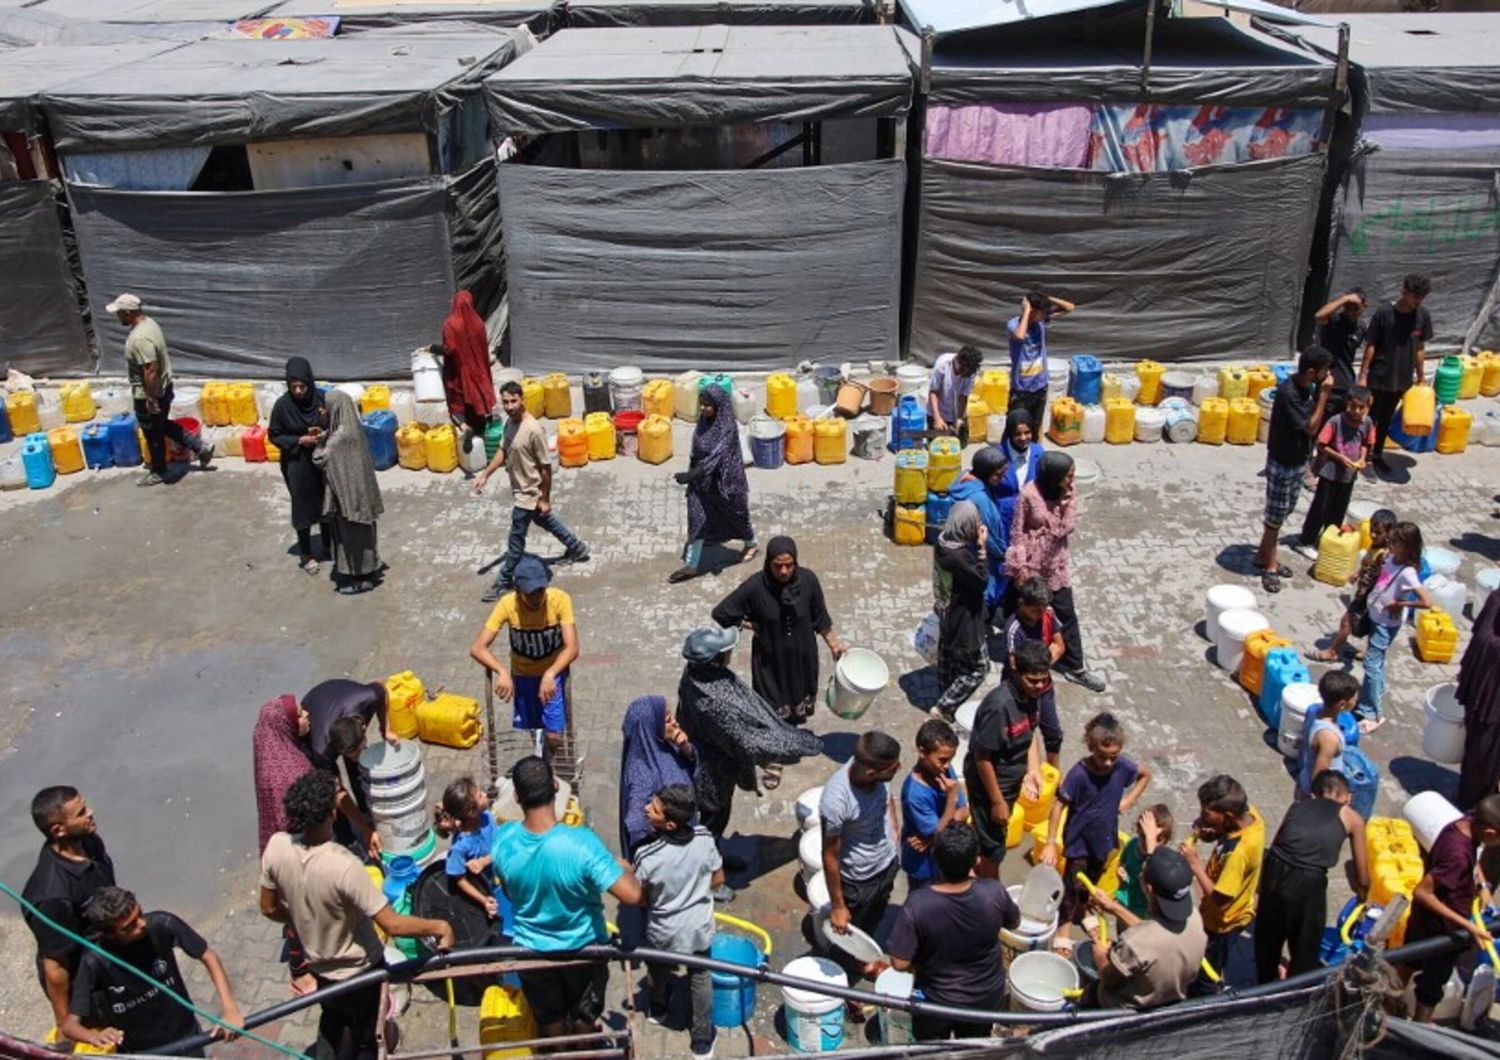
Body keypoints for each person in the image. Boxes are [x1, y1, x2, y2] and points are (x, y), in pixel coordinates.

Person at [260, 770, 454, 1060]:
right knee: (368, 1037)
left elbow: (269, 907)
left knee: (334, 1017)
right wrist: (440, 926)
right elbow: (393, 924)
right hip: (361, 972)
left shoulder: (276, 847)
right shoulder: (344, 866)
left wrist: (300, 919)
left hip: (320, 967)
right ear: (332, 815)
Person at [491, 756, 643, 1040]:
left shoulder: (503, 840)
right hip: (583, 950)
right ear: (554, 786)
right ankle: (582, 1051)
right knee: (585, 1015)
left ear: (516, 796)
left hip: (532, 952)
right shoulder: (582, 844)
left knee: (549, 1018)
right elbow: (632, 894)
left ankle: (557, 1053)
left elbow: (511, 894)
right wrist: (621, 867)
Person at [675, 626, 822, 840]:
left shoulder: (695, 674)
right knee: (714, 819)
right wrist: (791, 748)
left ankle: (715, 853)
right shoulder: (715, 702)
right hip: (712, 770)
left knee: (713, 818)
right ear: (715, 660)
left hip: (704, 752)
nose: (730, 654)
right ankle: (711, 860)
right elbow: (744, 741)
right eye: (726, 651)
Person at [62, 886, 244, 1055]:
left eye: (139, 913)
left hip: (187, 1036)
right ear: (109, 935)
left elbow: (208, 955)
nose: (142, 924)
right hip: (143, 1052)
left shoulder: (162, 923)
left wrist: (229, 1009)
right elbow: (70, 1026)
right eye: (130, 926)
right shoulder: (93, 961)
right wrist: (94, 1036)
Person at [886, 823, 1020, 1041]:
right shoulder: (993, 893)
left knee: (931, 1051)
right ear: (976, 859)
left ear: (935, 857)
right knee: (974, 1049)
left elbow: (899, 963)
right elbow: (1013, 923)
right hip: (984, 999)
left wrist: (926, 960)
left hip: (937, 1002)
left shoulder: (918, 904)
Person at [1042, 713, 1152, 955]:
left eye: (1113, 757)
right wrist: (1051, 842)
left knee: (1091, 879)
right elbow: (1059, 805)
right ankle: (1064, 929)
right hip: (1079, 840)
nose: (1108, 764)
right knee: (1072, 883)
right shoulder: (1079, 774)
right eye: (1102, 757)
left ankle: (1081, 911)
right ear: (1091, 747)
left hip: (1103, 839)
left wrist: (1129, 800)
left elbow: (1146, 774)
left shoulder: (1123, 766)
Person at [711, 535, 846, 728]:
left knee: (796, 707)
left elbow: (820, 618)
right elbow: (722, 612)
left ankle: (792, 736)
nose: (784, 571)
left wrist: (835, 645)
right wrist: (748, 624)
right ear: (768, 562)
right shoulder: (755, 587)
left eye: (789, 565)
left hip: (802, 659)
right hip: (770, 661)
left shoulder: (808, 581)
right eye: (777, 565)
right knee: (770, 710)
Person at [474, 380, 589, 603]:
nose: (509, 406)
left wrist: (544, 498)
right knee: (546, 521)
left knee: (515, 541)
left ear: (522, 400)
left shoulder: (533, 430)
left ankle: (503, 581)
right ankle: (577, 548)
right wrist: (485, 475)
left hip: (530, 494)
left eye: (513, 401)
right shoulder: (510, 423)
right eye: (505, 402)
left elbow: (546, 468)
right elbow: (503, 450)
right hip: (521, 491)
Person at [631, 784, 722, 1060]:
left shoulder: (647, 857)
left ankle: (658, 1008)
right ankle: (702, 1040)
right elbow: (718, 880)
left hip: (664, 931)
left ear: (669, 824)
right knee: (701, 976)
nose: (647, 808)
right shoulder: (705, 838)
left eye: (654, 808)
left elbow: (641, 898)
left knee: (658, 970)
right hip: (698, 927)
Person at [1254, 770, 1370, 984]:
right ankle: (1297, 991)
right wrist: (1363, 898)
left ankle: (1264, 984)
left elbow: (1282, 841)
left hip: (1274, 867)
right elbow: (1363, 876)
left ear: (1315, 794)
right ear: (1349, 797)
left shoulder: (1297, 806)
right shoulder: (1352, 818)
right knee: (1305, 944)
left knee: (1268, 935)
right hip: (1308, 881)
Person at [22, 787, 116, 1036]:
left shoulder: (89, 841)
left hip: (111, 957)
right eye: (81, 812)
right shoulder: (53, 897)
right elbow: (56, 968)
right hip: (88, 985)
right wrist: (68, 1027)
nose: (91, 813)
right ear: (59, 830)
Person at [1007, 450, 1105, 691]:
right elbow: (1017, 530)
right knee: (1024, 613)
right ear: (1053, 475)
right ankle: (1022, 664)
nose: (1071, 481)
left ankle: (1076, 667)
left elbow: (1066, 528)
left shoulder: (1068, 493)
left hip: (1055, 563)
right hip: (1031, 563)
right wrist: (1019, 568)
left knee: (1066, 612)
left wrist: (1062, 506)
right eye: (1068, 476)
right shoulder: (1029, 494)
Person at [1399, 794, 1500, 1022]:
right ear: (1491, 832)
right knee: (1431, 988)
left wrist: (1482, 885)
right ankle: (1419, 1030)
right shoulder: (1458, 856)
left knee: (1408, 961)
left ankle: (1388, 1004)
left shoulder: (1462, 824)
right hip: (1442, 930)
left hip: (1422, 919)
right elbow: (1423, 892)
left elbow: (1473, 857)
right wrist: (1469, 927)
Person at [470, 555, 579, 758]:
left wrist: (551, 673)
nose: (537, 597)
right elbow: (478, 647)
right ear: (518, 591)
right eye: (531, 593)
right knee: (534, 728)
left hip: (552, 675)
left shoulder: (560, 600)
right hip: (523, 675)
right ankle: (543, 763)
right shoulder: (507, 604)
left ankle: (556, 756)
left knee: (554, 734)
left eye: (540, 590)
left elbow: (572, 647)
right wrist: (501, 671)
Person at [104, 292, 213, 486]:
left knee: (153, 434)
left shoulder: (140, 338)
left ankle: (159, 471)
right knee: (161, 425)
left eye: (119, 312)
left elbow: (151, 370)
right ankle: (200, 447)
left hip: (150, 393)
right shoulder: (149, 323)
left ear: (129, 312)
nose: (117, 316)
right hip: (163, 388)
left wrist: (151, 399)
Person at [964, 640, 1050, 878]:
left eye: (1044, 679)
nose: (1040, 685)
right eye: (1033, 680)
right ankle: (989, 890)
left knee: (989, 834)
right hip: (990, 786)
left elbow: (1030, 731)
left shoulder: (1032, 694)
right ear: (1016, 670)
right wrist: (997, 801)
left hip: (1011, 782)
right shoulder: (999, 707)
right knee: (994, 847)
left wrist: (1033, 770)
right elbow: (982, 757)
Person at [1084, 847, 1207, 1010]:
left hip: (1129, 1009)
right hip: (1173, 1000)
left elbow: (1110, 978)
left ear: (1148, 888)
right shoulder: (1195, 919)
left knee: (1089, 993)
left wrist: (1100, 954)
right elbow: (1156, 933)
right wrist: (1113, 907)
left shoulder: (1134, 943)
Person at [1253, 347, 1331, 594]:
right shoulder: (1289, 393)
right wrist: (1324, 396)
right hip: (1282, 461)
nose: (1326, 376)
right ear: (1311, 372)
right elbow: (1310, 427)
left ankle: (1263, 555)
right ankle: (1271, 567)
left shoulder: (1306, 388)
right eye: (1323, 372)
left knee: (1284, 510)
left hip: (1298, 460)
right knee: (1275, 517)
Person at [820, 732, 902, 970]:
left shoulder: (879, 774)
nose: (899, 768)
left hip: (886, 865)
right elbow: (829, 854)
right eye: (893, 768)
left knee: (875, 918)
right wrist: (838, 905)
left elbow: (888, 800)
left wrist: (895, 836)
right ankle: (841, 978)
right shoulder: (836, 800)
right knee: (846, 935)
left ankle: (862, 961)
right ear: (871, 773)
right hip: (857, 880)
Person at [1180, 775, 1264, 991]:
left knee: (1208, 969)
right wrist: (1213, 832)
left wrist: (1195, 864)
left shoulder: (1238, 854)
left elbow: (1221, 900)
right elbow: (1227, 833)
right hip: (1230, 910)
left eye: (1206, 814)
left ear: (1227, 816)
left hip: (1223, 922)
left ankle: (1203, 999)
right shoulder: (1251, 816)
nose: (1201, 817)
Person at [671, 384, 755, 582]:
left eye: (708, 405)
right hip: (702, 482)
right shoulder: (704, 421)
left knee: (736, 516)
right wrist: (695, 473)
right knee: (697, 518)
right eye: (702, 404)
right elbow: (698, 448)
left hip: (725, 483)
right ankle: (692, 565)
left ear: (719, 405)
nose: (704, 409)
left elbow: (718, 455)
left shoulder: (727, 427)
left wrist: (693, 474)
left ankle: (751, 543)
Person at [301, 678, 392, 858]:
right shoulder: (321, 748)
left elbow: (382, 689)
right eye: (348, 754)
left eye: (358, 750)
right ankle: (347, 839)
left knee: (358, 770)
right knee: (329, 793)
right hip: (313, 710)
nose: (355, 756)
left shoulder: (368, 697)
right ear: (337, 749)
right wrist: (365, 831)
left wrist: (385, 729)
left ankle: (365, 811)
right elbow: (338, 792)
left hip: (342, 693)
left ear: (364, 728)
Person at [1358, 521, 1432, 729]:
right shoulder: (1391, 557)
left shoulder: (1408, 572)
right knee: (1376, 661)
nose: (1390, 543)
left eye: (1395, 542)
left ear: (1407, 546)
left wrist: (1400, 603)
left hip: (1386, 624)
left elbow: (1427, 602)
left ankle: (1372, 714)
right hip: (1375, 616)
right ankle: (1375, 697)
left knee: (1371, 664)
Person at [313, 389, 384, 595]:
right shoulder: (354, 428)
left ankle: (356, 578)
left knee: (349, 539)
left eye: (325, 407)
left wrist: (318, 442)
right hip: (362, 496)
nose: (322, 410)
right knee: (365, 536)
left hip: (347, 501)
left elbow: (320, 459)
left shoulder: (338, 437)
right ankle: (369, 573)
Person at [1360, 273, 1432, 473]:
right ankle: (1361, 455)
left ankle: (1376, 455)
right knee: (1369, 417)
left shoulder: (1422, 316)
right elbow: (1371, 344)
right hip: (1379, 376)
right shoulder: (1384, 313)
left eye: (1421, 297)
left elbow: (1419, 347)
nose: (1417, 301)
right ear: (1403, 292)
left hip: (1401, 380)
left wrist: (1421, 377)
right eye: (1414, 296)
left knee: (1385, 419)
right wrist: (1363, 375)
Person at [1307, 508, 1396, 664]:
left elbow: (1380, 577)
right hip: (1366, 595)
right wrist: (1358, 573)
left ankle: (1332, 652)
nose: (1373, 535)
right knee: (1369, 625)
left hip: (1368, 596)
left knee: (1346, 621)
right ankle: (1368, 652)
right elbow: (1369, 564)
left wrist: (1366, 595)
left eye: (1379, 532)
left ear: (1390, 532)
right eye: (1372, 531)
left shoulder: (1384, 555)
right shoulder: (1376, 545)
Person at [268, 356, 331, 574]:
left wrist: (324, 427)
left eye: (302, 386)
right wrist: (298, 441)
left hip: (321, 461)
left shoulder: (322, 399)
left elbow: (335, 423)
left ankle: (327, 544)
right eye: (293, 386)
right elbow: (274, 435)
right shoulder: (283, 406)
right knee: (303, 508)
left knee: (326, 503)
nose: (298, 391)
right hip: (297, 464)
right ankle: (306, 554)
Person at [930, 501, 990, 723]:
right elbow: (982, 580)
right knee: (979, 668)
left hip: (946, 611)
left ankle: (946, 699)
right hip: (964, 620)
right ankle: (943, 706)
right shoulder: (960, 558)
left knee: (950, 660)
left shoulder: (942, 543)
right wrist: (982, 548)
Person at [619, 695, 697, 861]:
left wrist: (685, 748)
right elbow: (636, 824)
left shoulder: (659, 744)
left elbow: (691, 764)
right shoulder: (642, 775)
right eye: (668, 720)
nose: (675, 723)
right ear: (650, 727)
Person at [1297, 386, 1374, 551]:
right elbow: (1321, 444)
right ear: (1347, 404)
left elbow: (1366, 442)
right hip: (1329, 473)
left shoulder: (1367, 423)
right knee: (1321, 507)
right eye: (1353, 407)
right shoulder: (1335, 421)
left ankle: (1329, 539)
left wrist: (1361, 459)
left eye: (1362, 408)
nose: (1357, 411)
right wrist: (1340, 457)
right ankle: (1307, 539)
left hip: (1348, 475)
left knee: (1339, 509)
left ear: (1368, 407)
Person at [1003, 577, 1066, 767]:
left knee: (1053, 732)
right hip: (1019, 689)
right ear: (1022, 603)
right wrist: (1038, 669)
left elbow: (1059, 644)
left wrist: (1044, 665)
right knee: (1022, 733)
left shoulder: (1047, 613)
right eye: (1035, 609)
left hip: (1043, 685)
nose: (1041, 613)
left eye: (1043, 607)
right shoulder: (1013, 629)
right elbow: (1014, 665)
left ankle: (1053, 773)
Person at [901, 720, 969, 889]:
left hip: (943, 859)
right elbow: (940, 833)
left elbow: (965, 811)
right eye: (942, 760)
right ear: (922, 752)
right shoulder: (914, 795)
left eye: (950, 760)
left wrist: (931, 838)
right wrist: (951, 799)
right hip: (923, 866)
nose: (947, 766)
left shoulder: (943, 770)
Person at [946, 447, 1011, 614]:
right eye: (998, 474)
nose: (1002, 479)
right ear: (985, 472)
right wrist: (1003, 553)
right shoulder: (979, 498)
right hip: (981, 556)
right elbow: (990, 537)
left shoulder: (963, 478)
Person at [253, 694, 314, 855]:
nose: (307, 714)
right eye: (299, 715)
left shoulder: (269, 754)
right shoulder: (294, 772)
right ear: (286, 725)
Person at [437, 289, 496, 448]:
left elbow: (449, 349)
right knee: (477, 398)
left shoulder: (450, 323)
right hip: (479, 370)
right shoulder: (479, 323)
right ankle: (482, 436)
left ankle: (464, 427)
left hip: (459, 372)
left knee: (458, 404)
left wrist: (433, 349)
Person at [1458, 585, 1500, 810]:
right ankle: (1471, 806)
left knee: (1486, 757)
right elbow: (1477, 637)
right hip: (1480, 692)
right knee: (1476, 752)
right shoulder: (1495, 599)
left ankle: (1480, 807)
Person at [1007, 290, 1075, 428]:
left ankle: (1035, 448)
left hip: (1040, 385)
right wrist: (1026, 311)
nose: (1044, 314)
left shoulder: (1041, 321)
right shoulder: (1014, 325)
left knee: (1035, 425)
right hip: (1021, 389)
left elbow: (1070, 308)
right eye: (1041, 312)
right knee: (1016, 427)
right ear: (1032, 311)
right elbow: (1020, 336)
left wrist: (1046, 298)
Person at [436, 778, 501, 920]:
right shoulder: (460, 848)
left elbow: (499, 846)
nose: (485, 794)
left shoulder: (487, 818)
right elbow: (459, 880)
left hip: (491, 879)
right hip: (477, 891)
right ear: (471, 811)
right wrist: (483, 900)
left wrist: (484, 861)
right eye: (480, 796)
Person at [1297, 671, 1360, 798]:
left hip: (1304, 776)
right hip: (1322, 793)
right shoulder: (1329, 738)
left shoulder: (1314, 710)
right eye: (1354, 698)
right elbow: (1319, 775)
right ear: (1342, 704)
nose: (1356, 700)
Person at [1116, 806, 1174, 920]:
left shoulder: (1162, 860)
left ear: (1165, 840)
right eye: (1143, 836)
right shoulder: (1132, 844)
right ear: (1137, 830)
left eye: (1156, 839)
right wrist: (1121, 869)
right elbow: (1122, 862)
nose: (1148, 842)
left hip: (1145, 912)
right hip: (1125, 903)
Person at [1315, 289, 1367, 415]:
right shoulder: (1334, 320)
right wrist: (1344, 299)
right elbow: (1319, 316)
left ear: (1364, 307)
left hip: (1346, 383)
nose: (1351, 312)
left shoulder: (1361, 327)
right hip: (1328, 382)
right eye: (1348, 307)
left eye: (1356, 308)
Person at [927, 345, 984, 445]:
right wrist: (937, 418)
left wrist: (959, 419)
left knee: (961, 443)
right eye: (963, 370)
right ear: (958, 361)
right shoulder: (942, 366)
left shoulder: (970, 372)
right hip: (938, 409)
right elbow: (934, 392)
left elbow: (963, 396)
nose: (965, 374)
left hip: (955, 410)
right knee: (937, 445)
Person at [994, 409, 1045, 510]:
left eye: (1027, 432)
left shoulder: (1039, 452)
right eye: (1017, 434)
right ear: (1009, 434)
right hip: (1004, 514)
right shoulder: (996, 455)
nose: (1023, 438)